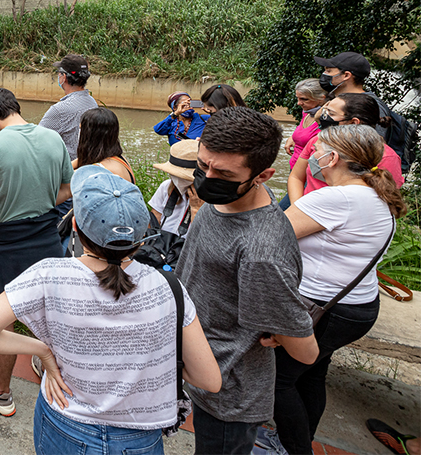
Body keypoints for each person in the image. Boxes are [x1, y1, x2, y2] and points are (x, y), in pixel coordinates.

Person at [0, 167, 222, 455]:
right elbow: (209, 380)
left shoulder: (49, 275)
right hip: (140, 438)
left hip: (65, 423)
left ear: (74, 226)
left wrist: (43, 351)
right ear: (142, 236)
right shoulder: (168, 288)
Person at [176, 107, 319, 455]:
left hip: (228, 392)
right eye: (203, 164)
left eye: (223, 172)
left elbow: (306, 351)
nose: (207, 177)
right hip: (195, 367)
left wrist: (279, 331)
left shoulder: (261, 251)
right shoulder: (223, 198)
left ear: (263, 175)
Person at [273, 125, 405, 455]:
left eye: (317, 149)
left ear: (332, 158)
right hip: (355, 307)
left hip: (322, 309)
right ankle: (302, 439)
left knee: (277, 381)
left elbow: (270, 238)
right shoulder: (378, 194)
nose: (311, 155)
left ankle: (297, 449)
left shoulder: (335, 198)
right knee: (311, 374)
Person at [0, 87, 73, 418]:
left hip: (6, 244)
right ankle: (47, 365)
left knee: (1, 321)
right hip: (48, 240)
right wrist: (38, 204)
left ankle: (0, 391)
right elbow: (67, 188)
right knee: (49, 309)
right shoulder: (53, 138)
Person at [287, 93, 404, 204]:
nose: (324, 117)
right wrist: (298, 207)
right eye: (325, 112)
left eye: (331, 114)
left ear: (353, 122)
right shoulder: (318, 141)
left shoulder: (386, 157)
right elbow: (296, 177)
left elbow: (386, 202)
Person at [313, 51, 412, 174]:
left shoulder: (370, 105)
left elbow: (372, 149)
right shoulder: (338, 100)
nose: (324, 75)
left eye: (328, 71)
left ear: (346, 75)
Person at [38, 54, 97, 163]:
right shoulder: (92, 102)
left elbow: (36, 141)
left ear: (64, 77)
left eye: (59, 73)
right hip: (85, 164)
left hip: (67, 170)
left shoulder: (59, 110)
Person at [149, 139, 200, 235]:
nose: (178, 179)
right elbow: (153, 222)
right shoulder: (166, 186)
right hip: (161, 246)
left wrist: (195, 210)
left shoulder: (210, 202)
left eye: (183, 176)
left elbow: (204, 240)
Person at [72, 107, 135, 181]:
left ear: (90, 136)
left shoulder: (99, 170)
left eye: (81, 129)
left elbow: (60, 177)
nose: (79, 133)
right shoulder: (121, 159)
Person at [284, 78, 326, 170]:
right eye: (298, 98)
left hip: (308, 173)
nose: (299, 103)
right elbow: (302, 130)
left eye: (304, 99)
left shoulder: (326, 120)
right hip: (294, 167)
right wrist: (292, 137)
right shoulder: (306, 112)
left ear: (321, 98)